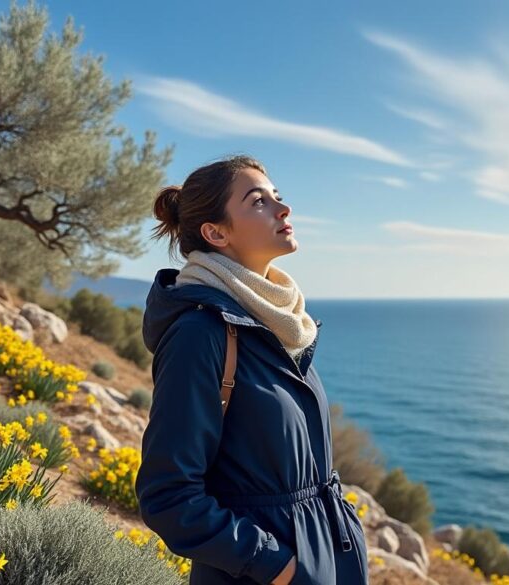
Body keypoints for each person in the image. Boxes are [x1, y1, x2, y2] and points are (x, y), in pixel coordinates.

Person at [135, 155, 369, 585]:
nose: (284, 208)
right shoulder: (200, 334)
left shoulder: (278, 324)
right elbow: (168, 496)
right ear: (216, 233)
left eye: (277, 196)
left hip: (325, 558)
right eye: (259, 201)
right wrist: (277, 567)